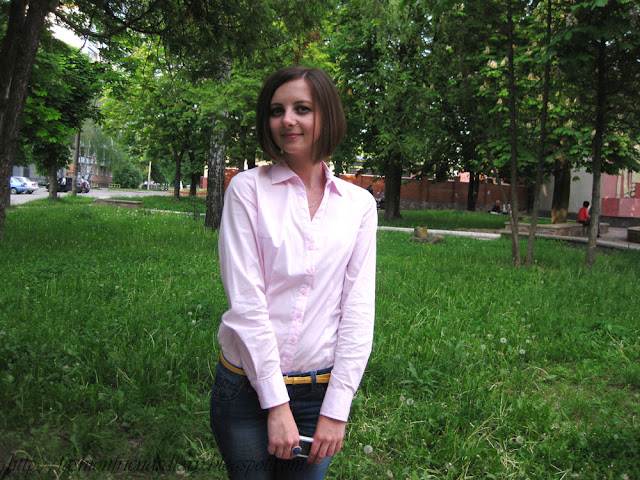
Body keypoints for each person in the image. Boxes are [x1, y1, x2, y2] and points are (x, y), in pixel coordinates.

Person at [210, 66, 377, 480]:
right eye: (276, 110)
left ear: (327, 116)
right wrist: (276, 404)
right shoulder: (247, 190)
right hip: (245, 390)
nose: (287, 120)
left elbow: (357, 311)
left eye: (302, 108)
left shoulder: (358, 205)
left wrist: (337, 409)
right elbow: (247, 304)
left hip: (318, 394)